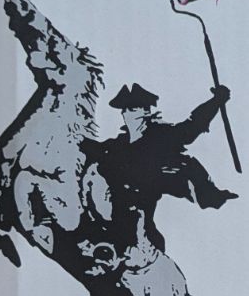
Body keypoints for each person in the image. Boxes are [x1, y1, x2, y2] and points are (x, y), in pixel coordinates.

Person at [88, 80, 236, 216]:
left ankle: (211, 197)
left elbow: (191, 127)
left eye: (132, 109)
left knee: (188, 164)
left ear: (146, 111)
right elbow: (95, 150)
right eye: (124, 109)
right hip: (121, 205)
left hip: (152, 191)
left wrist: (216, 101)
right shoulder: (119, 144)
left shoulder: (161, 134)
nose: (125, 113)